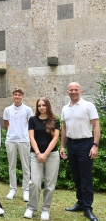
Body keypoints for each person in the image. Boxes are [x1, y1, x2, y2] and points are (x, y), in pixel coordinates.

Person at [60, 82, 100, 221]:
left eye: (76, 89)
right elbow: (64, 128)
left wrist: (95, 145)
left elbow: (96, 126)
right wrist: (63, 146)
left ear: (80, 91)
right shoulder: (65, 108)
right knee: (76, 176)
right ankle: (80, 203)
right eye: (71, 89)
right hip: (71, 144)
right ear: (67, 91)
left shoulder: (88, 106)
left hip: (85, 144)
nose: (73, 91)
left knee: (85, 177)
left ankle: (88, 207)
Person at [24, 97, 60, 220]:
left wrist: (45, 154)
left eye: (44, 105)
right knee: (35, 182)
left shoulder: (55, 120)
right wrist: (39, 153)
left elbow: (55, 139)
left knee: (50, 184)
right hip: (35, 155)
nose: (41, 107)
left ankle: (45, 209)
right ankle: (31, 208)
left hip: (52, 155)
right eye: (39, 105)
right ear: (37, 107)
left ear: (48, 106)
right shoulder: (33, 119)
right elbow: (31, 137)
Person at [3, 87, 33, 202]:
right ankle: (13, 189)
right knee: (12, 166)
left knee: (26, 166)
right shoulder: (7, 109)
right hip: (11, 140)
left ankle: (26, 190)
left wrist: (24, 135)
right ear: (13, 96)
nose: (17, 96)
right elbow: (6, 124)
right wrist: (12, 133)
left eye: (19, 95)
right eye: (15, 94)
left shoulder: (28, 110)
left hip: (24, 140)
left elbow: (31, 125)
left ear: (22, 96)